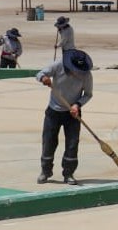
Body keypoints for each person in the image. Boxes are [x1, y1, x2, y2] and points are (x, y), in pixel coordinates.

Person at [35, 49, 94, 185]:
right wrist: (44, 78)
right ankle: (46, 171)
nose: (76, 73)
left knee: (72, 144)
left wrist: (77, 105)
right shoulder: (58, 65)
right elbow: (40, 73)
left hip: (73, 113)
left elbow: (88, 94)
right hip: (53, 111)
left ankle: (68, 173)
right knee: (49, 142)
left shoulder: (86, 75)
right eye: (74, 69)